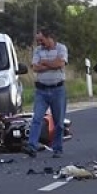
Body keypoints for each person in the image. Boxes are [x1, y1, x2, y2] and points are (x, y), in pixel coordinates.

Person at [22, 29, 68, 158]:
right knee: (37, 119)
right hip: (41, 90)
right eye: (38, 40)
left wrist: (45, 63)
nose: (39, 43)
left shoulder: (61, 48)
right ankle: (32, 146)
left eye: (41, 40)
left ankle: (57, 148)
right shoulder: (38, 50)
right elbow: (35, 67)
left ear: (49, 38)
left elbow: (60, 63)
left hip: (58, 90)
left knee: (58, 121)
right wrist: (52, 65)